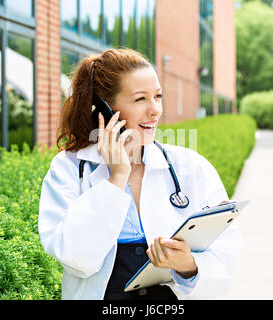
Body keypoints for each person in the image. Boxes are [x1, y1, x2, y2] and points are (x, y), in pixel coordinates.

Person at [38, 48, 241, 300]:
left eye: (158, 96)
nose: (154, 109)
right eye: (140, 99)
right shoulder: (68, 168)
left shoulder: (190, 167)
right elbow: (76, 259)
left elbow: (227, 253)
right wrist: (116, 178)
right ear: (105, 108)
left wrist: (188, 264)